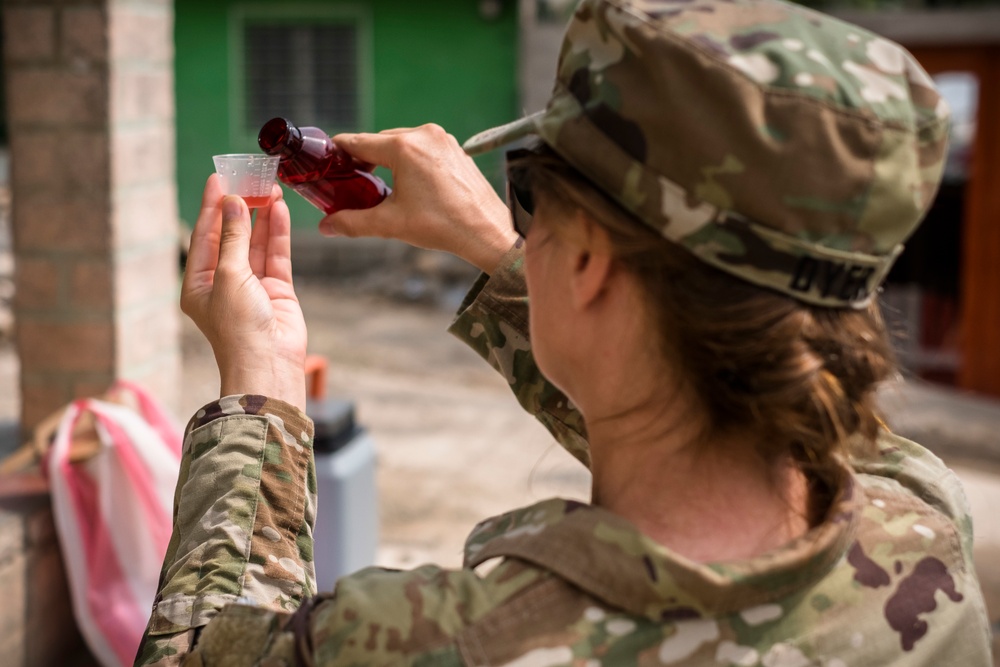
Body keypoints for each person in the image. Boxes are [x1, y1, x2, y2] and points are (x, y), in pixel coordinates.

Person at [135, 0, 993, 664]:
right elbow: (706, 403)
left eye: (534, 200)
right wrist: (507, 249)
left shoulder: (428, 642)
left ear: (589, 263)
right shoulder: (922, 516)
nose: (521, 227)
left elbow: (196, 647)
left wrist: (261, 385)